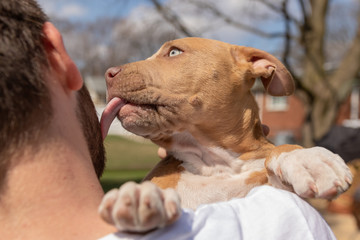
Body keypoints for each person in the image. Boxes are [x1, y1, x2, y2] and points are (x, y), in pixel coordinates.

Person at [0, 0, 336, 239]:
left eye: (173, 53)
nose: (114, 73)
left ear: (252, 66)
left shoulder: (277, 178)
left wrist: (281, 156)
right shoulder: (284, 219)